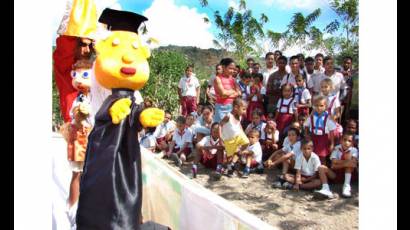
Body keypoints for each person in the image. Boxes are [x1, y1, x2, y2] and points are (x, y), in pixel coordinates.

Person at [220, 98, 250, 177]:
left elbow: (239, 125)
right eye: (243, 109)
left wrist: (243, 133)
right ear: (236, 107)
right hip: (229, 139)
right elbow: (220, 125)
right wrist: (220, 138)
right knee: (229, 158)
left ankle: (238, 153)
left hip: (238, 136)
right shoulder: (228, 116)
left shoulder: (239, 116)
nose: (245, 112)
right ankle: (230, 167)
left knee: (246, 142)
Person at [304, 96, 336, 165]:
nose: (319, 108)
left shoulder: (327, 118)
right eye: (316, 105)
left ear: (325, 106)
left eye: (321, 106)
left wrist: (332, 143)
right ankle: (313, 171)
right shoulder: (311, 117)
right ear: (313, 106)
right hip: (313, 138)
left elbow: (331, 131)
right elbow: (306, 125)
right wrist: (306, 134)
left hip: (323, 139)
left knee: (322, 157)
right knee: (312, 155)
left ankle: (322, 171)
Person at [329, 132, 359, 197]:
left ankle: (346, 186)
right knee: (348, 163)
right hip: (337, 173)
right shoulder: (337, 148)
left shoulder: (354, 150)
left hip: (350, 174)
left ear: (352, 143)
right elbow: (333, 162)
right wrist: (346, 162)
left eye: (349, 141)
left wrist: (338, 163)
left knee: (349, 165)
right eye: (344, 140)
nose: (346, 142)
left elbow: (353, 163)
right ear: (341, 140)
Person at [214, 58, 242, 122]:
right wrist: (233, 91)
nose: (232, 71)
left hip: (232, 107)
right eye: (230, 68)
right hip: (221, 107)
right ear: (223, 67)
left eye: (233, 69)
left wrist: (226, 94)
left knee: (231, 128)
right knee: (220, 127)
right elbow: (223, 93)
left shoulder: (233, 80)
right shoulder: (217, 79)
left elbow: (239, 93)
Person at [320, 78, 343, 143]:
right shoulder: (319, 97)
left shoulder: (334, 98)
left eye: (326, 87)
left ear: (330, 87)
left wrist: (333, 117)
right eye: (322, 87)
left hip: (331, 121)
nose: (323, 89)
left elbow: (338, 113)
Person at [340, 56, 354, 122]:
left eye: (348, 63)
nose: (346, 64)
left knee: (345, 118)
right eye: (345, 62)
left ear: (351, 64)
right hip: (337, 99)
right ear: (342, 63)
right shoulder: (337, 71)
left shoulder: (353, 74)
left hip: (347, 100)